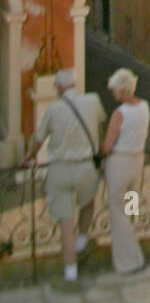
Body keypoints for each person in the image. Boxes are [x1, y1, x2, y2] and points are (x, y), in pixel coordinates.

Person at [30, 69, 106, 284]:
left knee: (65, 221)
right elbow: (100, 128)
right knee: (88, 201)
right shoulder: (93, 101)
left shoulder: (54, 110)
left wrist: (30, 156)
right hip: (85, 166)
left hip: (60, 169)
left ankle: (70, 270)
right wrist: (98, 153)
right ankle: (82, 238)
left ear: (60, 87)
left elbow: (37, 139)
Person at [102, 68, 150, 275]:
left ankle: (128, 260)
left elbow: (108, 145)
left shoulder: (120, 113)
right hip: (137, 162)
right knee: (132, 208)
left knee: (117, 211)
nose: (114, 95)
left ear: (122, 90)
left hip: (120, 165)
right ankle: (136, 250)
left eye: (115, 90)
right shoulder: (144, 107)